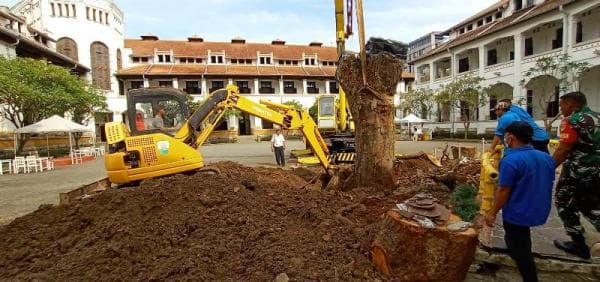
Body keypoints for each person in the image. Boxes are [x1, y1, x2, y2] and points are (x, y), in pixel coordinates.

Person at [485, 121, 555, 282]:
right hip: (540, 208)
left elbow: (503, 190)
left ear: (510, 138)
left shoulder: (510, 161)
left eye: (505, 137)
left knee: (521, 250)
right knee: (521, 239)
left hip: (518, 212)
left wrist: (491, 212)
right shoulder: (546, 157)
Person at [552, 91, 600, 259]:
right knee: (592, 205)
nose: (561, 109)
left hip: (578, 172)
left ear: (571, 105)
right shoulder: (597, 117)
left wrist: (549, 167)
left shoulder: (571, 121)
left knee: (564, 201)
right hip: (598, 171)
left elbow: (564, 149)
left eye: (562, 105)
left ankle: (578, 244)